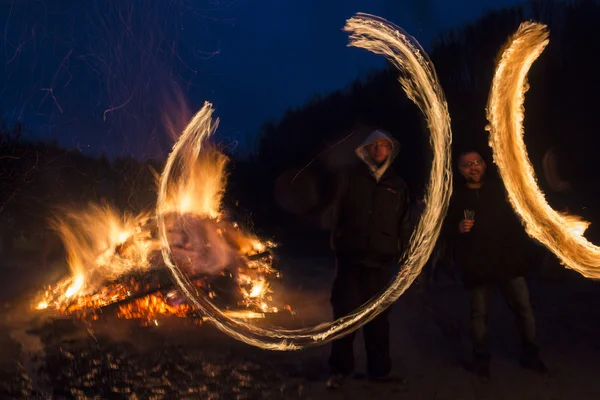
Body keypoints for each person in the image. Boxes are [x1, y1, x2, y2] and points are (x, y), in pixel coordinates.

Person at [446, 150, 548, 379]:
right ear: (460, 170)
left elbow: (523, 217)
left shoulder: (502, 189)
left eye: (477, 162)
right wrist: (457, 228)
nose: (473, 167)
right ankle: (481, 359)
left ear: (484, 164)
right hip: (477, 264)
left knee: (524, 311)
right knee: (479, 315)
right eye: (467, 165)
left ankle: (531, 356)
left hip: (508, 261)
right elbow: (444, 228)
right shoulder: (455, 196)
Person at [326, 128, 411, 389]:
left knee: (378, 321)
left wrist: (405, 253)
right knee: (344, 318)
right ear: (365, 150)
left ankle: (379, 371)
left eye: (383, 145)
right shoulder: (351, 178)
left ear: (390, 150)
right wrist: (337, 242)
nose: (378, 149)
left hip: (381, 262)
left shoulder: (398, 184)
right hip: (351, 261)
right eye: (373, 145)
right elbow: (336, 212)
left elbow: (405, 222)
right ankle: (340, 370)